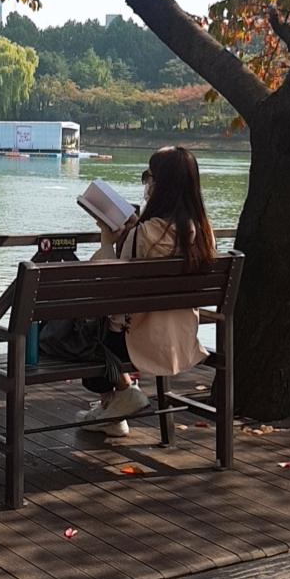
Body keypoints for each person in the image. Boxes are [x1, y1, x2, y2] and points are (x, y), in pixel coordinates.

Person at [79, 145, 214, 436]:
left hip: (135, 344)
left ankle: (122, 392)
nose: (146, 184)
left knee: (80, 336)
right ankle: (114, 411)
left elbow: (108, 294)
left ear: (159, 184)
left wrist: (107, 240)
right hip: (182, 337)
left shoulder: (143, 234)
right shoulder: (203, 232)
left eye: (148, 177)